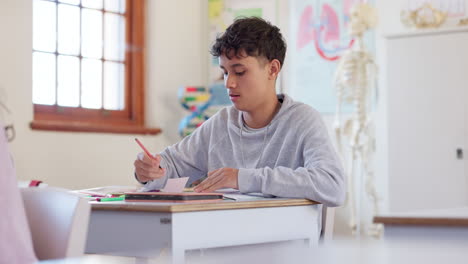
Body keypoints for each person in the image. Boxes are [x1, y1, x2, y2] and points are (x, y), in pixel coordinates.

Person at [134, 17, 345, 207]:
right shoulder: (221, 123)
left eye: (240, 71)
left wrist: (241, 178)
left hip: (281, 245)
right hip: (224, 242)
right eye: (225, 72)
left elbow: (332, 185)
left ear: (272, 69)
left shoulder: (302, 120)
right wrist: (150, 170)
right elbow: (172, 165)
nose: (229, 83)